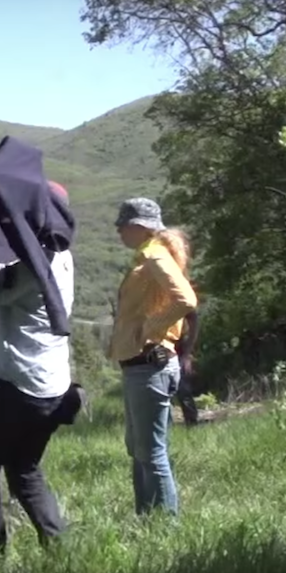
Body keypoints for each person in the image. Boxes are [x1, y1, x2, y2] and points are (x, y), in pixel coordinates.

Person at [0, 181, 79, 551]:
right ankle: (59, 550)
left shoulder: (33, 262)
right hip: (50, 387)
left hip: (14, 384)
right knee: (25, 469)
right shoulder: (61, 254)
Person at [108, 197, 197, 517]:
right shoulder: (148, 256)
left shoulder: (154, 255)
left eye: (122, 225)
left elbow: (186, 299)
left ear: (139, 227)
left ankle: (165, 526)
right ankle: (145, 518)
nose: (118, 231)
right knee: (139, 448)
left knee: (150, 452)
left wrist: (150, 328)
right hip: (140, 366)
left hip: (150, 365)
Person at [174, 310, 201, 426]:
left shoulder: (180, 299)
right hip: (158, 350)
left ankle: (192, 423)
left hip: (179, 349)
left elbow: (193, 320)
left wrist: (187, 354)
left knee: (183, 390)